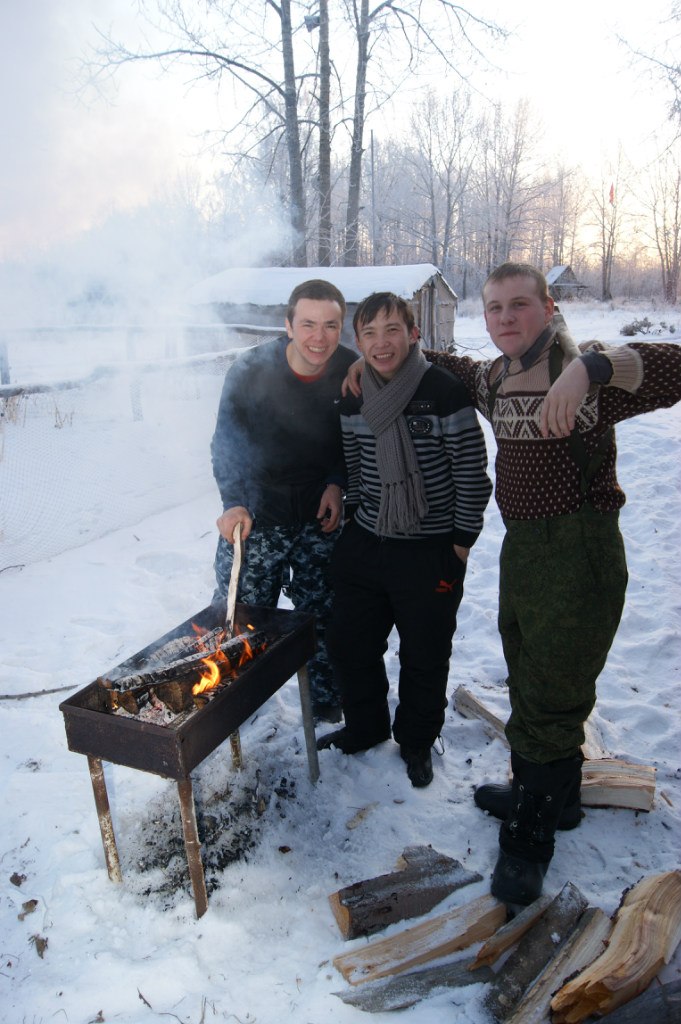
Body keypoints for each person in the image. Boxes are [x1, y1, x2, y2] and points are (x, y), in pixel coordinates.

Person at [346, 262, 681, 907]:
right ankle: (556, 797)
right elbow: (451, 367)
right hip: (525, 548)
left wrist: (595, 365)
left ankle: (529, 842)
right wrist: (374, 360)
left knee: (553, 686)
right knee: (530, 672)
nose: (504, 318)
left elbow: (673, 365)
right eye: (494, 307)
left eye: (519, 305)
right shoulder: (498, 377)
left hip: (577, 546)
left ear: (549, 307)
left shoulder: (582, 375)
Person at [316, 291, 492, 788]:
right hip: (367, 541)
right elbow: (351, 462)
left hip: (430, 549)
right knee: (350, 645)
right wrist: (351, 516)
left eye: (392, 330)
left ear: (414, 334)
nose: (381, 343)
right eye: (369, 333)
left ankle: (416, 740)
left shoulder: (444, 390)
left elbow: (472, 475)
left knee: (424, 654)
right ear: (359, 341)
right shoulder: (353, 394)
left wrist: (457, 546)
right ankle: (366, 727)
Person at [211, 278, 358, 723]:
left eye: (331, 325)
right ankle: (234, 704)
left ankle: (327, 701)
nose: (320, 337)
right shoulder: (249, 370)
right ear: (288, 325)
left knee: (327, 613)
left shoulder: (352, 370)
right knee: (241, 613)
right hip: (259, 514)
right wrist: (233, 502)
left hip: (320, 517)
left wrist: (337, 481)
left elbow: (354, 442)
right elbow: (225, 443)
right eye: (309, 324)